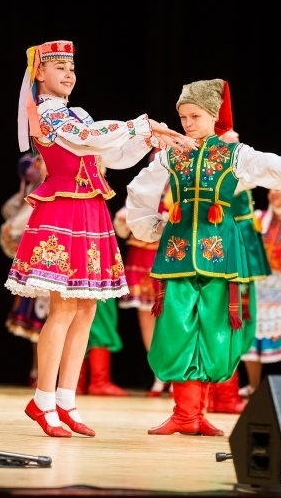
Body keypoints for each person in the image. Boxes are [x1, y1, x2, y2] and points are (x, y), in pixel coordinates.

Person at [126, 78, 281, 436]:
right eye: (183, 117)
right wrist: (152, 228)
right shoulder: (171, 153)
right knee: (177, 328)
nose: (187, 123)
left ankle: (197, 412)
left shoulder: (234, 154)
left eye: (194, 116)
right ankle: (184, 413)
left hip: (219, 254)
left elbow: (272, 167)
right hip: (176, 255)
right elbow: (140, 190)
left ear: (212, 115)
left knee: (215, 327)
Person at [7, 39, 189, 438]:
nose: (69, 74)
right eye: (59, 68)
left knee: (86, 308)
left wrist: (148, 140)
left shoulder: (77, 113)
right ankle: (43, 399)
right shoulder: (48, 115)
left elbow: (113, 155)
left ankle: (66, 400)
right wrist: (142, 125)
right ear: (40, 73)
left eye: (72, 68)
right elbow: (88, 137)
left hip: (90, 210)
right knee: (63, 307)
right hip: (62, 210)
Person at [206, 187, 271, 414]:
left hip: (230, 241)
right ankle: (224, 395)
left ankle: (216, 395)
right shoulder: (229, 161)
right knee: (231, 319)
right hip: (232, 244)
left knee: (224, 319)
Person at [112, 152, 169, 397]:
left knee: (171, 315)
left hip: (168, 256)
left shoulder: (179, 185)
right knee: (146, 317)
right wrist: (122, 219)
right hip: (141, 256)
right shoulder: (143, 184)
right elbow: (125, 222)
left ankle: (177, 374)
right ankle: (158, 374)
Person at [239, 188, 281, 398]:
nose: (273, 193)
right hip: (260, 284)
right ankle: (254, 386)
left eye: (279, 189)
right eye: (271, 189)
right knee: (252, 332)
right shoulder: (259, 218)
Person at [1, 153, 48, 387]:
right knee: (41, 323)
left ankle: (64, 376)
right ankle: (38, 372)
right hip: (42, 263)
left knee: (59, 319)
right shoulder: (34, 194)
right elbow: (10, 218)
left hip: (59, 259)